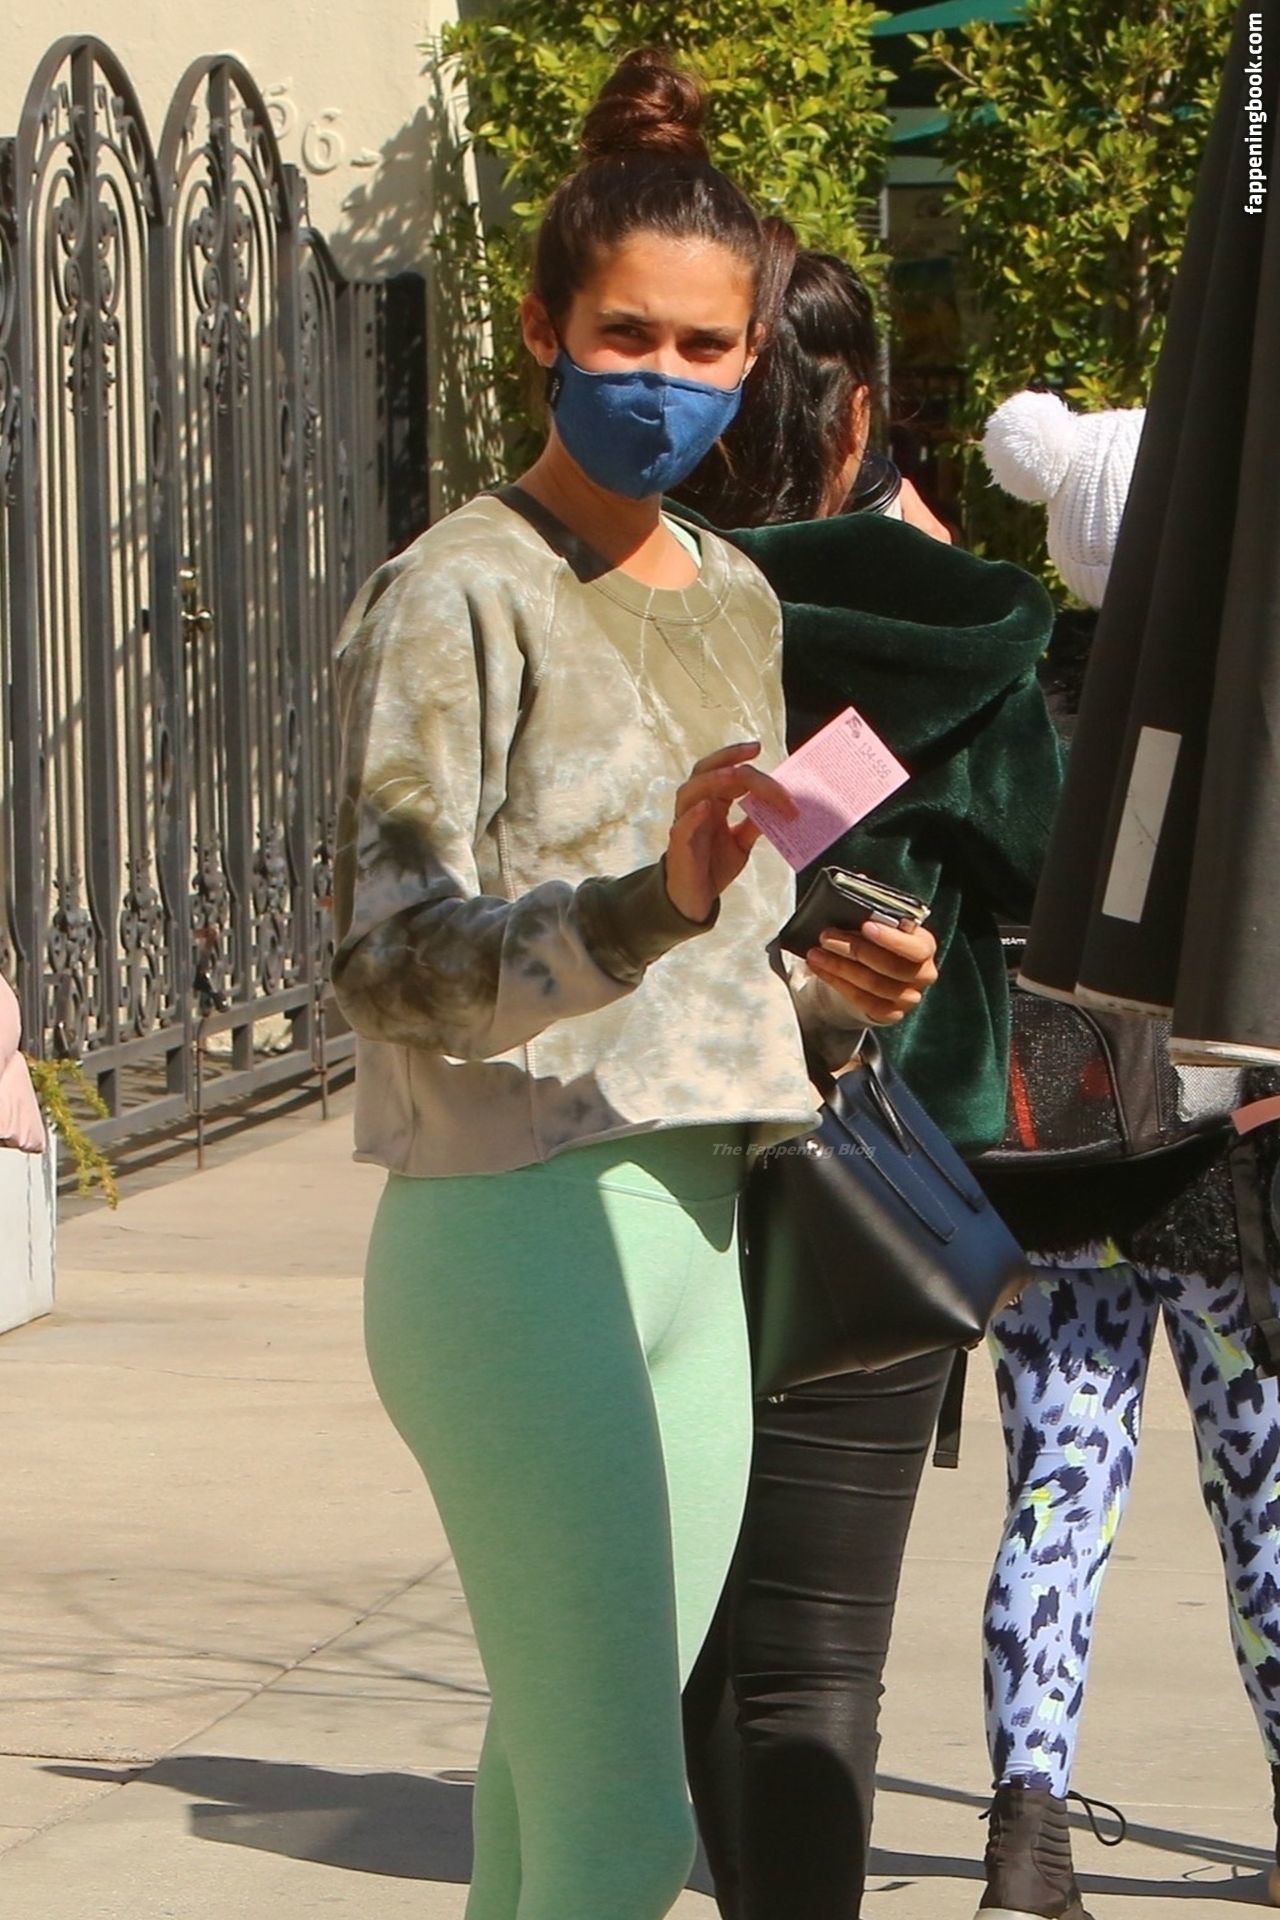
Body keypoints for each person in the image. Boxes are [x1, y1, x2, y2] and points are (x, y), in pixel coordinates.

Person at [329, 53, 937, 1920]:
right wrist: (643, 906)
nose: (662, 380)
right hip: (516, 1232)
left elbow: (720, 953)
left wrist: (842, 988)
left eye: (703, 348)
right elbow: (387, 960)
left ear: (755, 359)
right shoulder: (462, 590)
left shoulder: (739, 594)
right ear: (544, 330)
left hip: (695, 1229)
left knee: (552, 1795)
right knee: (619, 1829)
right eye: (625, 337)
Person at [676, 229, 1066, 1920]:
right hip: (880, 1181)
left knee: (688, 1629)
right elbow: (1044, 864)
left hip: (653, 1162)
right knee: (819, 1657)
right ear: (859, 414)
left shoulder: (637, 595)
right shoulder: (963, 624)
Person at [970, 388, 1280, 1920]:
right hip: (1223, 1175)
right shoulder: (1236, 719)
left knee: (1056, 1491)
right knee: (1265, 1492)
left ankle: (1027, 1832)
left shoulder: (1015, 716)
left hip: (1050, 1177)